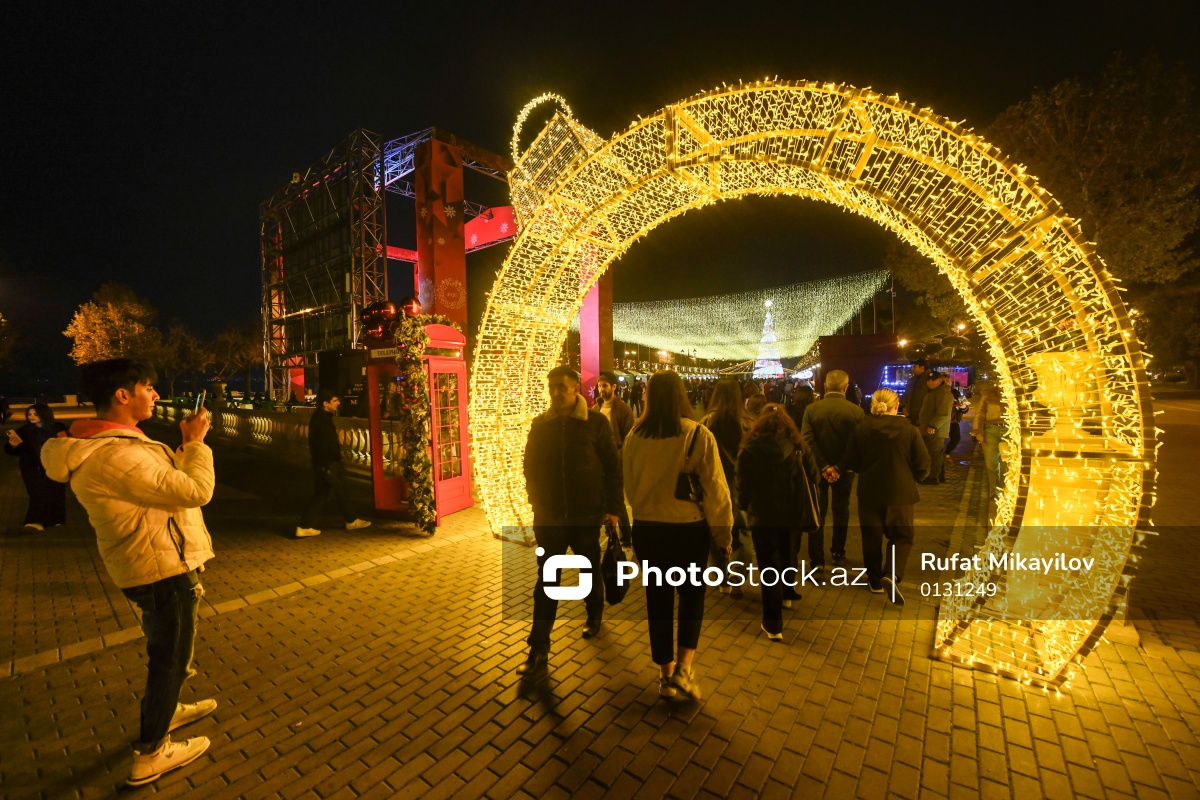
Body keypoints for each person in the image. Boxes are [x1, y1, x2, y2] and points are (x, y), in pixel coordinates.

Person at [40, 359, 218, 786]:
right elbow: (196, 490)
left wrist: (182, 449)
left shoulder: (115, 444)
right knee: (169, 660)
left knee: (171, 651)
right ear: (123, 395)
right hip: (161, 569)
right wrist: (195, 444)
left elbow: (161, 486)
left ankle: (167, 710)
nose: (156, 395)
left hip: (154, 563)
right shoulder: (116, 454)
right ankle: (151, 752)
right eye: (148, 387)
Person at [623, 371, 732, 700]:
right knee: (691, 596)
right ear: (681, 395)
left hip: (648, 529)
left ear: (647, 396)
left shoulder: (634, 436)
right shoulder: (697, 434)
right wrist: (723, 536)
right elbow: (716, 491)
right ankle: (684, 670)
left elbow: (629, 488)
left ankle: (665, 674)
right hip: (688, 528)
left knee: (657, 599)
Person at [519, 366, 623, 676]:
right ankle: (538, 648)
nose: (555, 393)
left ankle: (594, 612)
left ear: (575, 388)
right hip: (550, 518)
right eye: (552, 387)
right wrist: (536, 501)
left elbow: (612, 468)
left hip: (585, 515)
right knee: (547, 582)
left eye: (561, 387)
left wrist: (613, 508)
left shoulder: (595, 423)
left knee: (588, 569)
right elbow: (529, 466)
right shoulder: (541, 424)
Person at [832, 388, 930, 605]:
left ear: (873, 405)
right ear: (896, 406)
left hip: (869, 491)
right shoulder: (908, 429)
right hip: (900, 493)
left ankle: (875, 580)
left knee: (871, 537)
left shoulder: (861, 428)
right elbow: (923, 463)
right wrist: (915, 477)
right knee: (901, 536)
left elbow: (851, 459)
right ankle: (892, 574)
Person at [737, 404, 819, 640]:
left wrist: (744, 505)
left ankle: (773, 624)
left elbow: (743, 486)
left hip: (762, 516)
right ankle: (786, 594)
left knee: (768, 566)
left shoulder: (749, 450)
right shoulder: (798, 447)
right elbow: (814, 476)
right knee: (788, 554)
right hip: (793, 513)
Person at [801, 370, 864, 571]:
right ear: (846, 387)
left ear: (825, 386)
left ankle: (817, 559)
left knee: (818, 511)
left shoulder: (812, 410)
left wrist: (823, 465)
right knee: (841, 510)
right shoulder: (856, 412)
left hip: (817, 469)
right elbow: (856, 444)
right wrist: (838, 467)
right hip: (844, 470)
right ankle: (838, 552)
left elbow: (807, 440)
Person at [699, 378, 753, 597]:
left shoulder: (707, 421)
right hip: (742, 483)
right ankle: (738, 575)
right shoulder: (749, 421)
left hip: (714, 484)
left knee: (717, 528)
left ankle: (722, 576)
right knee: (743, 530)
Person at [295, 389, 372, 538]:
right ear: (326, 403)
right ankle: (351, 520)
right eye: (335, 400)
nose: (338, 403)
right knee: (342, 490)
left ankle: (304, 526)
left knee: (321, 493)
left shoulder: (319, 417)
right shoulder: (324, 420)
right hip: (329, 462)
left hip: (321, 462)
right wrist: (337, 455)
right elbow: (327, 443)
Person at [5, 403, 68, 530]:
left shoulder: (58, 427)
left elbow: (67, 444)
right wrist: (12, 445)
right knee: (36, 493)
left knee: (56, 492)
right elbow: (15, 451)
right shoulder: (23, 431)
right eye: (29, 414)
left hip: (54, 465)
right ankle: (35, 521)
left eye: (35, 414)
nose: (31, 416)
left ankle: (56, 518)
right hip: (32, 467)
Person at [596, 371, 636, 545]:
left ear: (613, 387)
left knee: (617, 499)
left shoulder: (623, 409)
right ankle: (611, 533)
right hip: (599, 462)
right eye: (599, 386)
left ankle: (626, 535)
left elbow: (629, 438)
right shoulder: (596, 409)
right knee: (603, 500)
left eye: (604, 385)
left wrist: (622, 457)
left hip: (616, 462)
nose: (601, 389)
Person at [971, 382, 1006, 500]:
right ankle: (995, 490)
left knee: (1007, 462)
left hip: (1009, 430)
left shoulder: (1015, 395)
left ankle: (1005, 489)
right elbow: (980, 413)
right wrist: (978, 431)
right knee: (991, 462)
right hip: (991, 430)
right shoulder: (988, 394)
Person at [917, 372, 953, 484]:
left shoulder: (943, 393)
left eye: (933, 380)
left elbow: (943, 412)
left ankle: (933, 477)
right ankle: (939, 476)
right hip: (931, 428)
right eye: (929, 380)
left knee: (934, 454)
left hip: (935, 430)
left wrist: (933, 425)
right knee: (936, 454)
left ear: (940, 381)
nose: (930, 382)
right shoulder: (934, 392)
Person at [902, 358, 929, 425]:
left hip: (924, 416)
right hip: (910, 414)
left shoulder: (930, 380)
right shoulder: (912, 380)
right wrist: (904, 407)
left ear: (922, 368)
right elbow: (906, 394)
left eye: (914, 367)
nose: (912, 369)